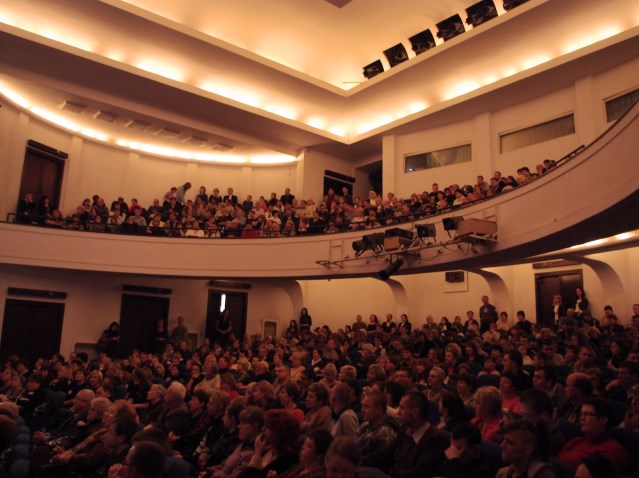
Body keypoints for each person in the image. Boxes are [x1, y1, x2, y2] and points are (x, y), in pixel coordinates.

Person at [556, 397, 629, 473]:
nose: (581, 418)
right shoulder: (576, 441)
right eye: (581, 414)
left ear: (603, 419)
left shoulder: (613, 450)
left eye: (587, 414)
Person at [390, 390, 448, 478]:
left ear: (415, 412)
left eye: (402, 408)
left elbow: (419, 473)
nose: (398, 412)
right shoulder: (404, 431)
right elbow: (383, 455)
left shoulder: (436, 439)